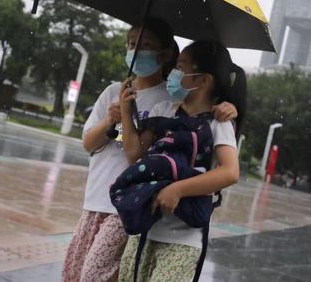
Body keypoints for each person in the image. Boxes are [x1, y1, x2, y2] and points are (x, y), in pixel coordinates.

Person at [62, 20, 236, 282]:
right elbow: (118, 149)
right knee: (79, 272)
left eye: (145, 45)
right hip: (121, 211)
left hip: (149, 214)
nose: (136, 50)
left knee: (93, 275)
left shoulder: (183, 105)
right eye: (132, 44)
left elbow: (228, 169)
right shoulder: (133, 99)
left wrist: (227, 107)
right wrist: (119, 114)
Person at [117, 40, 245, 282]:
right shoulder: (163, 110)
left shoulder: (218, 122)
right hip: (145, 229)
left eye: (181, 67)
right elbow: (135, 154)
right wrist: (125, 110)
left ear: (203, 80)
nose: (173, 73)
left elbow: (230, 173)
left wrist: (177, 190)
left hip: (182, 240)